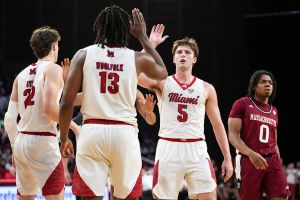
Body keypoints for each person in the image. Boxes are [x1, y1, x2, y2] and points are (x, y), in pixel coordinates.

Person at [59, 5, 168, 200]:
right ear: (126, 30)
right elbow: (162, 71)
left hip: (92, 132)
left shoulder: (83, 54)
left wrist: (64, 137)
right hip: (124, 134)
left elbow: (66, 103)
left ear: (99, 27)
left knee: (90, 197)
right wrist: (143, 37)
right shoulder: (136, 58)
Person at [138, 31, 233, 199]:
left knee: (210, 196)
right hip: (169, 147)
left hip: (197, 148)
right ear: (174, 59)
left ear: (194, 59)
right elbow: (134, 73)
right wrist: (150, 45)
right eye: (179, 52)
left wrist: (227, 157)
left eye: (187, 52)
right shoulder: (162, 82)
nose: (183, 55)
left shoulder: (206, 88)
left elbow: (217, 124)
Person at [3, 26, 80, 200]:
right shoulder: (53, 69)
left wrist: (15, 148)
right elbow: (49, 109)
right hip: (43, 142)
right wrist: (73, 127)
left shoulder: (20, 76)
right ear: (54, 46)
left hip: (22, 142)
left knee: (25, 197)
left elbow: (9, 120)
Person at [228, 69, 290, 200]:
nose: (268, 85)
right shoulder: (242, 103)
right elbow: (233, 136)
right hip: (248, 159)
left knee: (282, 196)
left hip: (271, 160)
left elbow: (274, 140)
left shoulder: (274, 111)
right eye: (263, 82)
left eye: (270, 83)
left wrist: (278, 161)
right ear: (254, 86)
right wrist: (250, 153)